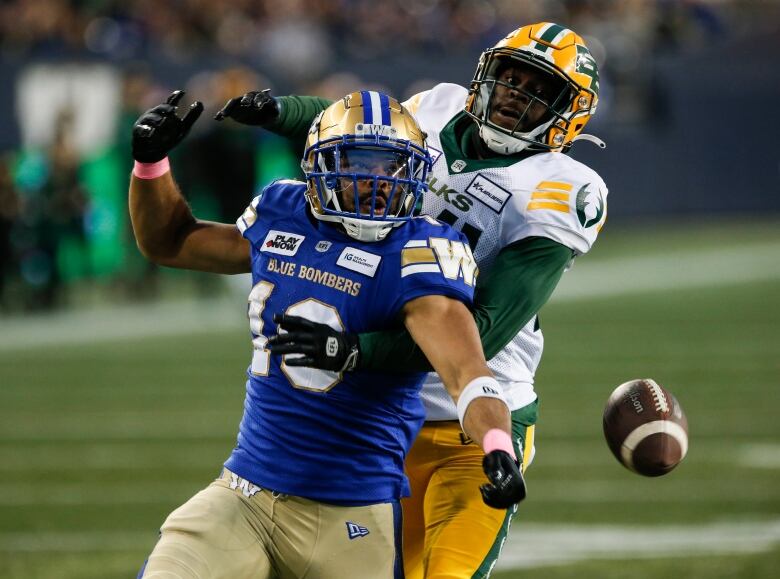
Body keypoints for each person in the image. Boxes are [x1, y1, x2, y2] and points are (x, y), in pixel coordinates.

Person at [217, 22, 608, 579]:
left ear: (570, 113)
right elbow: (351, 127)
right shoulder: (439, 107)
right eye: (510, 78)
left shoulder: (562, 188)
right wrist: (277, 112)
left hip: (477, 411)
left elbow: (485, 331)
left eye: (538, 89)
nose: (516, 94)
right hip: (383, 416)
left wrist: (358, 349)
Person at [130, 89, 525, 578]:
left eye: (393, 165)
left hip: (352, 518)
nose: (378, 180)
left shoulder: (421, 252)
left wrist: (497, 446)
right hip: (243, 495)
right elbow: (170, 241)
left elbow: (466, 371)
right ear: (320, 163)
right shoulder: (281, 211)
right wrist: (151, 164)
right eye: (361, 161)